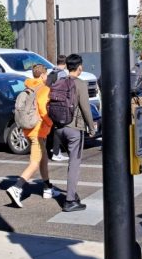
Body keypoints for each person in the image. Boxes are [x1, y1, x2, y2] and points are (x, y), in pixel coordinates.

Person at [6, 64, 59, 207]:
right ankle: (17, 187)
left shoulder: (28, 87)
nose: (47, 77)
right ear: (42, 75)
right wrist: (50, 122)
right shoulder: (43, 89)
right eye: (46, 75)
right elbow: (42, 108)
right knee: (35, 161)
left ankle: (47, 188)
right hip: (38, 129)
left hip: (28, 128)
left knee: (44, 159)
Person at [53, 54, 98, 213]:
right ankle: (70, 200)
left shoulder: (59, 81)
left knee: (71, 162)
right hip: (74, 128)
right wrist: (91, 128)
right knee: (74, 164)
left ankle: (73, 193)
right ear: (79, 67)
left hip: (59, 128)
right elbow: (85, 107)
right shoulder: (80, 84)